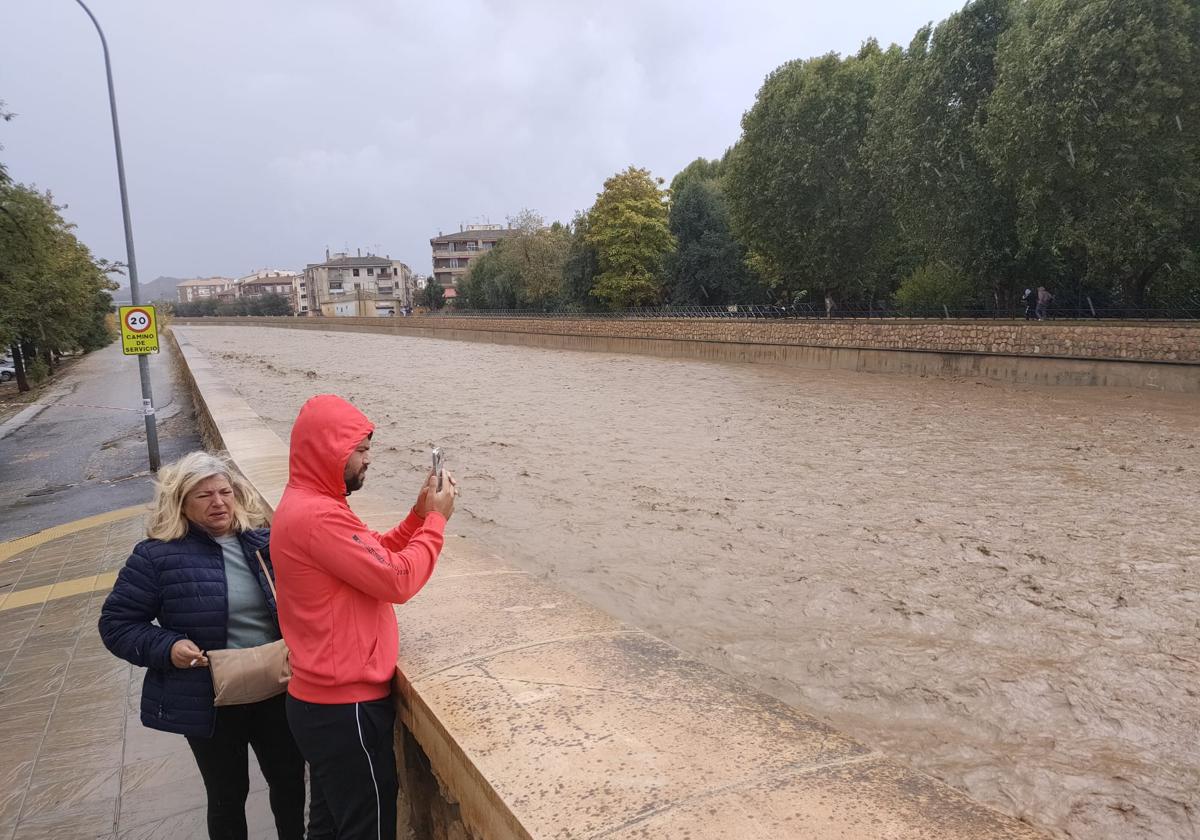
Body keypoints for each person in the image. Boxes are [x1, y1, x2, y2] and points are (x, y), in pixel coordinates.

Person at [271, 394, 456, 840]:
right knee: (366, 828)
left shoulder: (310, 503)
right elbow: (398, 580)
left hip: (318, 702)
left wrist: (416, 516)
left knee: (329, 824)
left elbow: (376, 552)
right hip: (344, 708)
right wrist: (436, 523)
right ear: (328, 450)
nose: (368, 459)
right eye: (360, 449)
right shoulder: (318, 516)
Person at [99, 452, 306, 840]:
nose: (219, 502)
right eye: (204, 495)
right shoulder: (156, 557)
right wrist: (169, 646)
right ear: (180, 503)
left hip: (277, 687)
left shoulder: (263, 543)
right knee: (228, 795)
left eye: (225, 492)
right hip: (209, 698)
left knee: (290, 782)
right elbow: (116, 624)